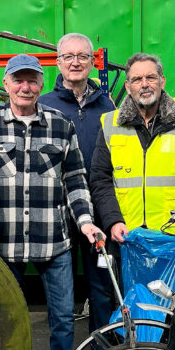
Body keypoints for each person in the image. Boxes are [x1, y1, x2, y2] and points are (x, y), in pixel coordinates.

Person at [0, 54, 102, 350]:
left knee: (62, 320)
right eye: (19, 80)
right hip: (3, 242)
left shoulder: (60, 124)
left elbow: (75, 178)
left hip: (53, 242)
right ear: (6, 83)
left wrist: (85, 221)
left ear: (42, 85)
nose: (26, 87)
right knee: (7, 321)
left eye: (33, 80)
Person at [89, 52, 175, 288]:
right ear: (128, 85)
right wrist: (113, 221)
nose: (144, 84)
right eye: (137, 79)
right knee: (132, 310)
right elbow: (100, 179)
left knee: (172, 311)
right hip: (127, 237)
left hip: (173, 238)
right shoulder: (110, 124)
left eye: (150, 77)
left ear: (162, 81)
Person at [39, 33, 116, 332]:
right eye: (68, 57)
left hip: (96, 206)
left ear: (92, 62)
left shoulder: (106, 106)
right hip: (57, 210)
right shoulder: (44, 105)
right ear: (58, 63)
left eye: (82, 56)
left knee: (101, 282)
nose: (75, 62)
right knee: (61, 286)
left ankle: (101, 347)